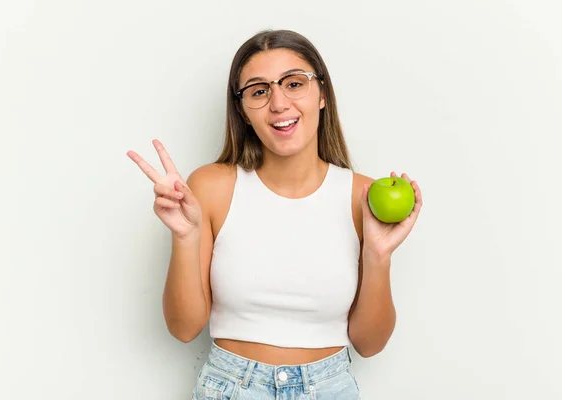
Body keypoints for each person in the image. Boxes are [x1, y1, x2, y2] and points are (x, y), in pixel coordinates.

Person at [127, 29, 423, 400]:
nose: (279, 103)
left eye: (294, 83)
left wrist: (378, 256)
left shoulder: (361, 195)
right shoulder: (211, 186)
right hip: (231, 387)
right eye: (259, 90)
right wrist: (185, 237)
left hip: (330, 387)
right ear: (242, 111)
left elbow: (370, 343)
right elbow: (184, 328)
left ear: (322, 95)